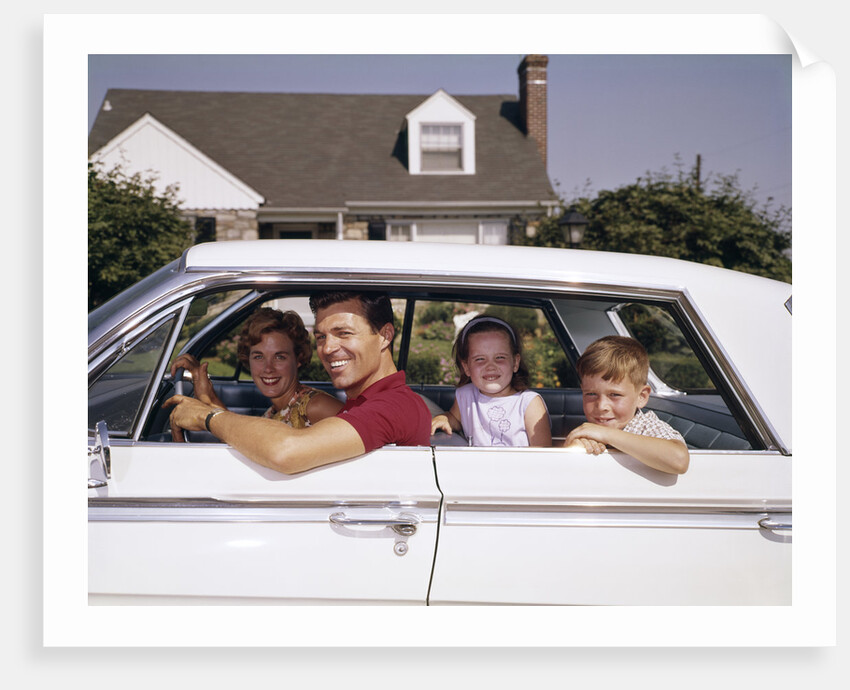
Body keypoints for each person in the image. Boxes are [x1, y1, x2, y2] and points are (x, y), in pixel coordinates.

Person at [165, 290, 432, 473]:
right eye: (321, 337)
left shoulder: (392, 406)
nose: (328, 349)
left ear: (385, 336)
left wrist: (207, 417)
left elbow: (285, 450)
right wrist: (207, 395)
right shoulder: (367, 403)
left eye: (344, 333)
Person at [169, 307, 343, 441]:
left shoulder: (316, 406)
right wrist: (207, 393)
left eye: (280, 357)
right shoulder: (273, 412)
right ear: (248, 359)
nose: (268, 368)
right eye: (259, 356)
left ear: (298, 358)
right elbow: (240, 439)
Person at [563, 335, 690, 474]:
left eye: (614, 395)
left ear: (641, 397)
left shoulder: (646, 427)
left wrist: (606, 434)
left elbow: (679, 459)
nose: (601, 406)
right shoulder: (591, 432)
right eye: (591, 394)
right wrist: (573, 450)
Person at [430, 315, 551, 447]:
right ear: (466, 367)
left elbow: (543, 454)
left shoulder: (529, 403)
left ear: (515, 362)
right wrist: (445, 418)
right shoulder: (466, 396)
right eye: (480, 359)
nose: (490, 366)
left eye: (500, 357)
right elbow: (455, 419)